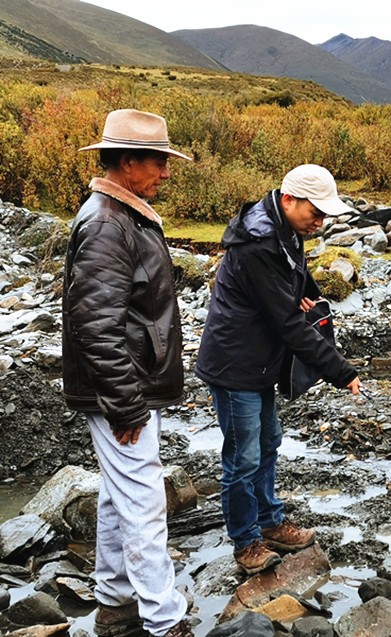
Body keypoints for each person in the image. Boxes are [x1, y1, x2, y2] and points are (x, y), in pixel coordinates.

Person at [63, 109, 194, 637]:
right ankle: (165, 620)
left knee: (120, 495)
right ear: (127, 161)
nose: (166, 171)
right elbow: (95, 326)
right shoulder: (107, 224)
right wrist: (126, 405)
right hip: (123, 389)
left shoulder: (122, 215)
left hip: (127, 384)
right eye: (158, 161)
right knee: (143, 500)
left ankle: (115, 600)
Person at [195, 164, 363, 575]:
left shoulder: (284, 230)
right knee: (243, 457)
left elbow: (294, 272)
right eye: (316, 213)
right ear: (289, 199)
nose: (320, 222)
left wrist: (306, 291)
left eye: (325, 215)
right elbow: (288, 325)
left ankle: (270, 523)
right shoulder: (258, 244)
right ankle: (245, 541)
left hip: (259, 361)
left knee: (268, 440)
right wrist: (340, 370)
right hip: (235, 364)